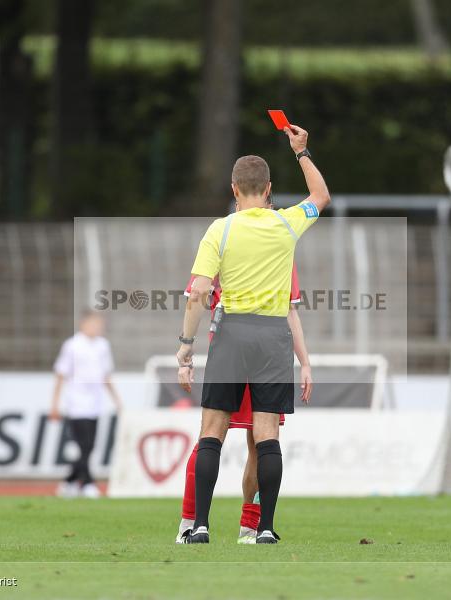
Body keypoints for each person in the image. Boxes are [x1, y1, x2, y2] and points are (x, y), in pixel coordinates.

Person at [176, 123, 330, 544]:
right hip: (273, 335)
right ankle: (264, 528)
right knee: (266, 436)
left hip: (230, 332)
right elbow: (321, 197)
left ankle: (200, 526)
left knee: (213, 429)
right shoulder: (285, 225)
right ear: (268, 189)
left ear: (233, 187)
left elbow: (200, 293)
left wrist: (185, 347)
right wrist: (301, 151)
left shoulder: (220, 229)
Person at [175, 263, 313, 544]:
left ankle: (241, 525)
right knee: (243, 438)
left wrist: (305, 361)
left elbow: (289, 308)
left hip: (236, 348)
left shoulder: (230, 237)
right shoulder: (270, 240)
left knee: (245, 439)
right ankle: (194, 521)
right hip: (262, 348)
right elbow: (200, 292)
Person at [50, 310, 123, 498]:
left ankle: (70, 481)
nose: (97, 328)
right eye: (93, 324)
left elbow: (106, 376)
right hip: (76, 403)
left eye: (99, 324)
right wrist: (55, 404)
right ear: (83, 324)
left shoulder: (103, 346)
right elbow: (61, 375)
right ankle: (88, 483)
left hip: (95, 404)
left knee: (89, 446)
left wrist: (116, 400)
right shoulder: (72, 345)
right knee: (84, 445)